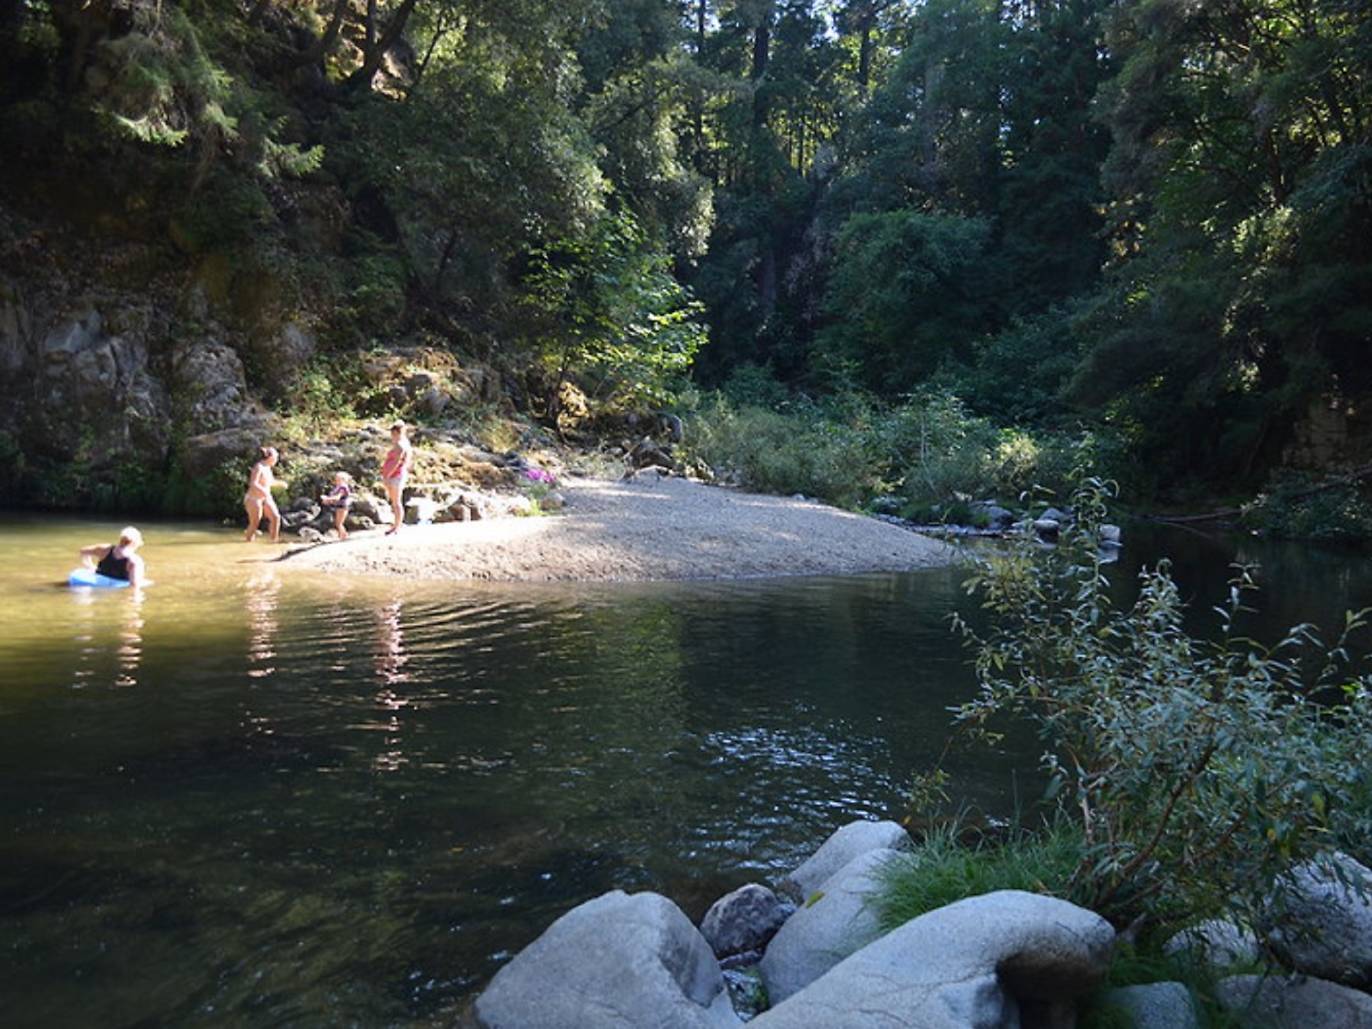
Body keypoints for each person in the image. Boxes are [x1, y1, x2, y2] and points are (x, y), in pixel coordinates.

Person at [79, 526, 146, 587]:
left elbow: (83, 551)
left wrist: (90, 566)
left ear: (120, 539)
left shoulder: (104, 549)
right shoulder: (135, 561)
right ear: (135, 543)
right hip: (115, 589)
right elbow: (134, 584)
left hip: (97, 583)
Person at [379, 421, 413, 535]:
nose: (391, 435)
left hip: (395, 475)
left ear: (396, 432)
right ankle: (396, 525)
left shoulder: (400, 445)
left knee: (396, 502)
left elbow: (396, 462)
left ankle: (397, 526)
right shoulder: (404, 443)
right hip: (398, 474)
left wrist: (388, 475)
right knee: (395, 501)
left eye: (392, 433)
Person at [244, 446, 282, 543]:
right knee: (255, 523)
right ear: (270, 457)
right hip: (254, 498)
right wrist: (264, 491)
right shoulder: (258, 467)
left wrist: (280, 483)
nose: (277, 459)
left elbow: (269, 482)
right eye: (276, 456)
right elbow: (253, 483)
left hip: (265, 498)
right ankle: (248, 542)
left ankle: (274, 541)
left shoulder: (268, 468)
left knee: (276, 517)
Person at [320, 471, 353, 540]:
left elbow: (338, 497)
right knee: (338, 523)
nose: (336, 480)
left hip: (343, 507)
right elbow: (335, 499)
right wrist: (327, 501)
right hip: (339, 506)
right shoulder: (338, 487)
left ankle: (343, 537)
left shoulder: (343, 487)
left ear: (343, 479)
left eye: (338, 478)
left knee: (339, 523)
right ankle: (343, 536)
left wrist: (328, 499)